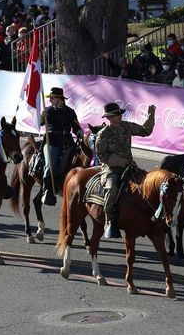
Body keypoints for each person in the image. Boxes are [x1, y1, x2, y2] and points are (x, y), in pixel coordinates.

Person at [95, 101, 156, 239]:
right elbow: (101, 156)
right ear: (109, 118)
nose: (119, 117)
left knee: (147, 184)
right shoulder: (103, 134)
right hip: (111, 168)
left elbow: (145, 131)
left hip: (129, 166)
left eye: (119, 114)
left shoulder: (126, 126)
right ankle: (109, 219)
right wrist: (117, 161)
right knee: (111, 189)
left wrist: (151, 118)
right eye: (115, 115)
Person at [39, 87, 83, 206]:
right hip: (52, 141)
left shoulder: (70, 111)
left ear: (59, 98)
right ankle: (47, 190)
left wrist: (79, 132)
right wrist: (42, 116)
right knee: (50, 167)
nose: (50, 100)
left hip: (67, 142)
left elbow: (75, 126)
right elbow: (40, 123)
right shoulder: (47, 110)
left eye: (52, 98)